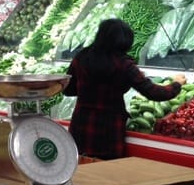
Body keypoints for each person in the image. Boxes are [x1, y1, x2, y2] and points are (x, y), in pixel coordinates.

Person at [64, 18, 186, 160]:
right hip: (109, 131)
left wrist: (90, 90)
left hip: (81, 128)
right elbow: (154, 93)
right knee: (108, 170)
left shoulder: (81, 57)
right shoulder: (124, 64)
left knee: (81, 169)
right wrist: (176, 84)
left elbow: (68, 90)